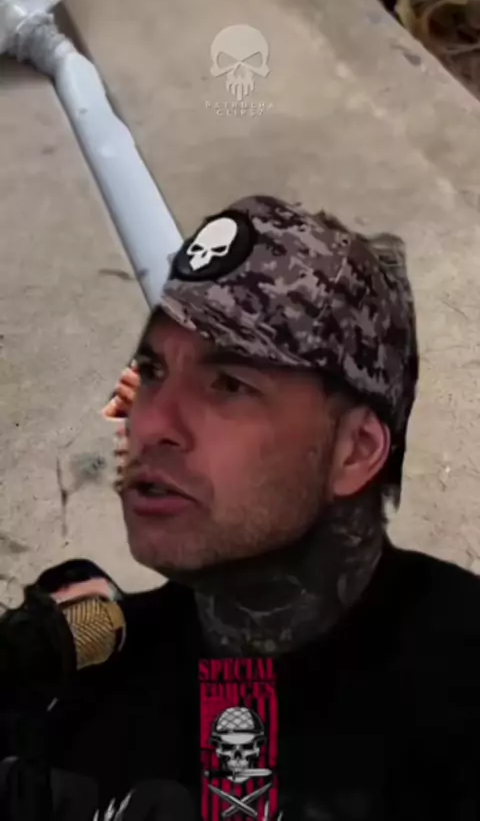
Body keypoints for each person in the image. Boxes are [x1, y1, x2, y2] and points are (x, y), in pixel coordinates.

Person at [3, 195, 480, 821]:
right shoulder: (83, 669)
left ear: (356, 449)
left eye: (229, 384)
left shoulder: (460, 686)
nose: (151, 422)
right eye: (152, 370)